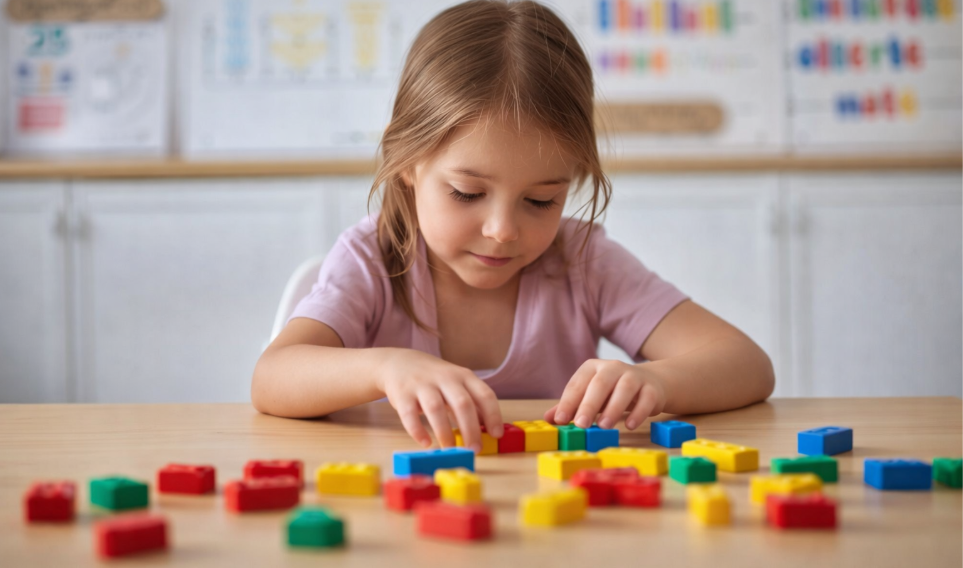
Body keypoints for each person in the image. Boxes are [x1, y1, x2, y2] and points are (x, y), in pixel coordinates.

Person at [251, 0, 774, 453]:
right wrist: (384, 368)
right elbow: (272, 378)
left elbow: (747, 364)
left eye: (541, 200)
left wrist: (658, 381)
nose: (503, 229)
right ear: (406, 159)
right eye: (467, 193)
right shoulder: (372, 259)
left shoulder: (582, 260)